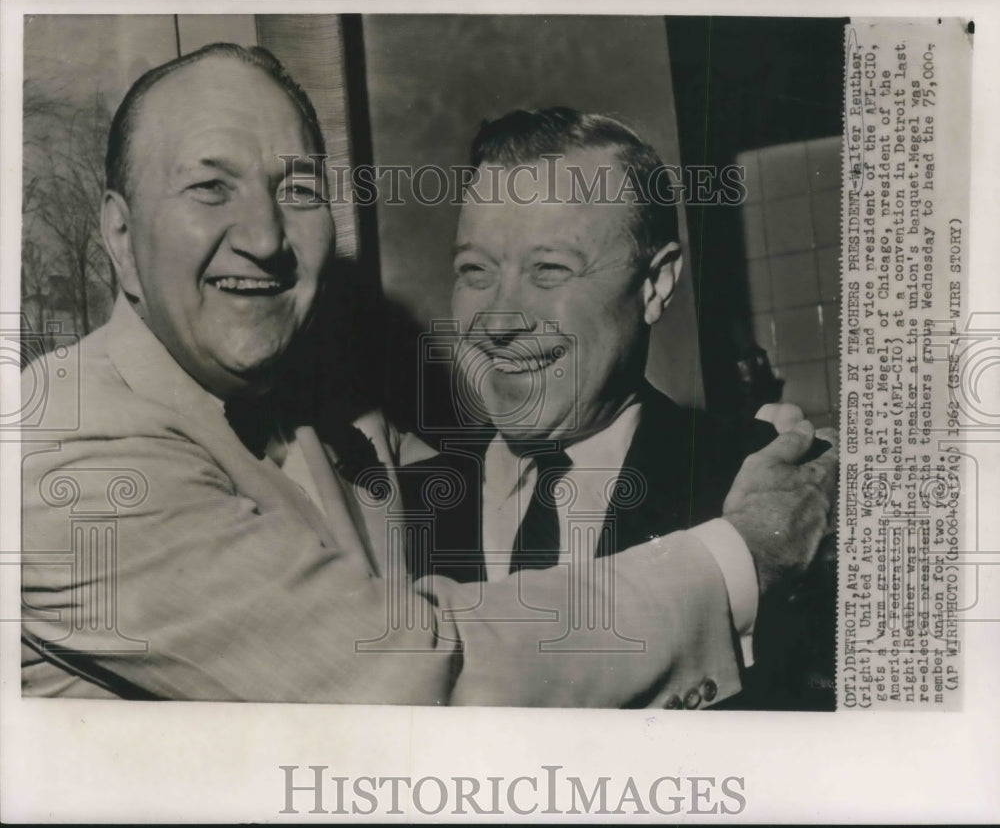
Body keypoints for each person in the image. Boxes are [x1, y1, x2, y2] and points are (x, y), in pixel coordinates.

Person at [21, 45, 836, 708]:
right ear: (121, 239)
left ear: (656, 283)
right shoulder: (60, 458)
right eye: (209, 187)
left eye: (297, 189)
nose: (264, 235)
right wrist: (741, 558)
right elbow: (421, 674)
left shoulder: (770, 478)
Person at [402, 108, 837, 707]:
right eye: (474, 270)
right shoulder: (390, 509)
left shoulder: (774, 493)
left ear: (655, 285)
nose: (497, 321)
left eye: (548, 269)